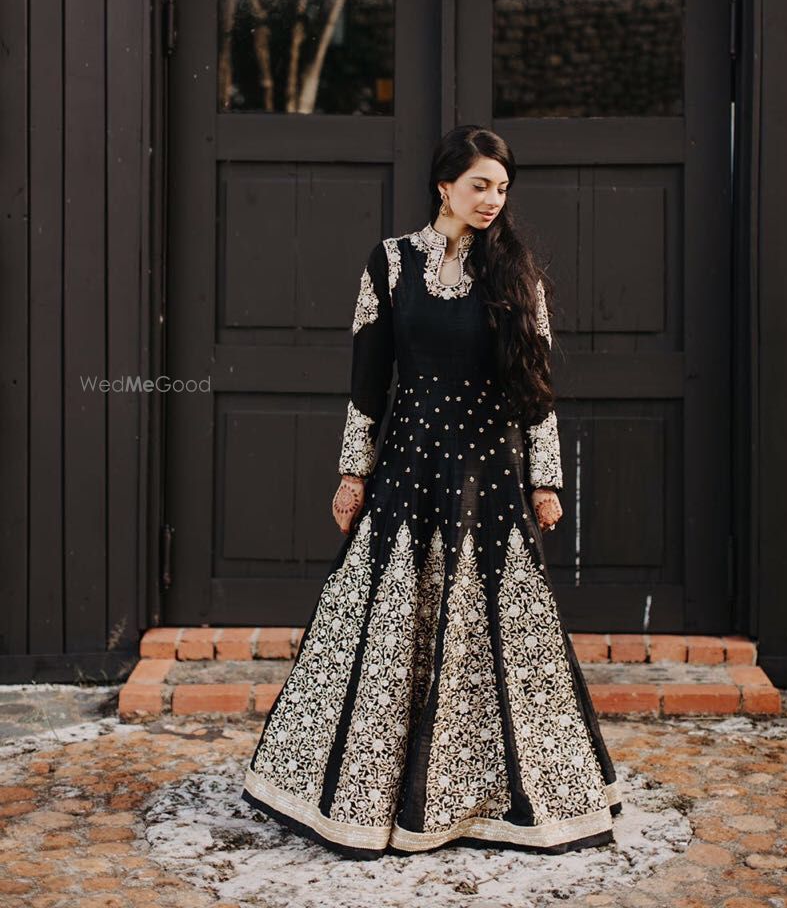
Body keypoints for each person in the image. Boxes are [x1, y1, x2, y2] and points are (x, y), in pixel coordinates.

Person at [242, 125, 622, 858]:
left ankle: (479, 795)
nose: (492, 200)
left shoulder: (514, 276)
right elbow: (365, 381)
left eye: (502, 188)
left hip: (485, 472)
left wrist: (546, 478)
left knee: (495, 634)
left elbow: (536, 390)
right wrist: (352, 472)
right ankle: (363, 793)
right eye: (480, 184)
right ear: (443, 185)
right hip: (407, 466)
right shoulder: (388, 264)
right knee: (383, 626)